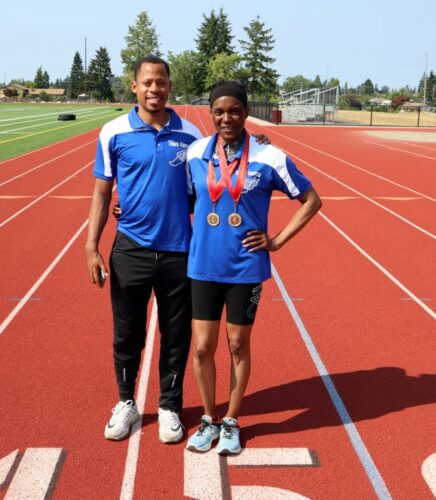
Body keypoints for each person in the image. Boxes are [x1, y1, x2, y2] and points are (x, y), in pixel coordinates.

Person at [185, 80, 322, 455]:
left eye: (234, 110)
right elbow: (181, 200)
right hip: (203, 267)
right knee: (201, 348)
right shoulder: (196, 153)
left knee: (237, 344)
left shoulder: (269, 156)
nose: (226, 117)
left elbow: (311, 200)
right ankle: (209, 419)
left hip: (246, 268)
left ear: (246, 112)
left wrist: (276, 240)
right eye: (219, 111)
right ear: (211, 113)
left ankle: (231, 420)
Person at [85, 55, 202, 444]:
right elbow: (102, 195)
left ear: (170, 86)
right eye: (148, 82)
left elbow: (202, 189)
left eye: (162, 82)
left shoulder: (190, 134)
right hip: (130, 249)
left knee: (176, 335)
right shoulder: (113, 132)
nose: (155, 88)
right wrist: (91, 247)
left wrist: (259, 143)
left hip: (178, 252)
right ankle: (126, 402)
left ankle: (170, 405)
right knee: (126, 334)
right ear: (134, 86)